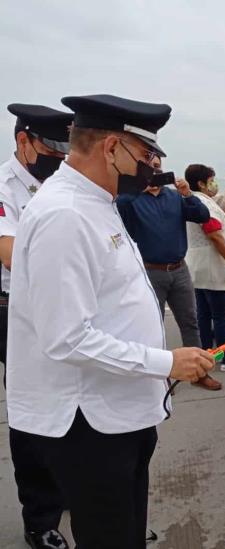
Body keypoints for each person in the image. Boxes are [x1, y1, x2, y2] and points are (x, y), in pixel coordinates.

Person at [6, 94, 215, 549]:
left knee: (123, 530)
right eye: (146, 154)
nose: (153, 165)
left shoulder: (97, 203)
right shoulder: (64, 214)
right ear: (111, 148)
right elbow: (65, 339)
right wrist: (166, 362)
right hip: (89, 423)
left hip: (118, 412)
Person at [1, 104, 72, 549]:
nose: (58, 156)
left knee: (67, 400)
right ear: (23, 139)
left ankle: (64, 485)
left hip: (59, 302)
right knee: (31, 411)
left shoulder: (60, 182)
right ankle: (39, 519)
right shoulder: (5, 187)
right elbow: (8, 252)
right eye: (50, 147)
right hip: (13, 307)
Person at [117, 157, 224, 391]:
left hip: (179, 269)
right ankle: (160, 377)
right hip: (149, 271)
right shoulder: (132, 199)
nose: (155, 171)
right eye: (150, 168)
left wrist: (187, 194)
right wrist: (138, 189)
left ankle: (199, 372)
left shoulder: (173, 196)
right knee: (152, 326)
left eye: (157, 167)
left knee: (190, 321)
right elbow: (118, 209)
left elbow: (202, 215)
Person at [185, 164, 225, 376]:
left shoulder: (191, 201)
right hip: (213, 266)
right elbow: (215, 234)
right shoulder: (205, 205)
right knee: (221, 316)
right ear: (201, 183)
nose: (215, 184)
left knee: (204, 314)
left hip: (198, 266)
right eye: (211, 180)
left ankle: (208, 353)